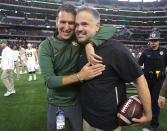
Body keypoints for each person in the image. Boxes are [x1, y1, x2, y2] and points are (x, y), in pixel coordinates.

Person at [38, 4, 115, 131]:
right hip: (57, 105)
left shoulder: (79, 39)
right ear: (57, 21)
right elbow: (49, 81)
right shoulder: (46, 46)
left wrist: (90, 44)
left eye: (71, 23)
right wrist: (80, 76)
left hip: (78, 103)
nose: (67, 27)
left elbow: (110, 29)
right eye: (63, 22)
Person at [75, 7, 152, 131]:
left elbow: (139, 81)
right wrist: (89, 45)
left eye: (84, 24)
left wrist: (148, 114)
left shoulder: (116, 49)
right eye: (77, 25)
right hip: (86, 119)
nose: (79, 29)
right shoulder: (80, 47)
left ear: (97, 26)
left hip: (108, 123)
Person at [138, 31, 167, 131]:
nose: (153, 42)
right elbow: (138, 65)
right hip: (147, 80)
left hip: (159, 81)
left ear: (159, 41)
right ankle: (141, 116)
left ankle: (154, 125)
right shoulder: (145, 52)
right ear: (149, 41)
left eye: (155, 40)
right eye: (151, 40)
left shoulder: (165, 51)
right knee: (144, 99)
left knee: (155, 102)